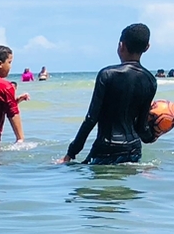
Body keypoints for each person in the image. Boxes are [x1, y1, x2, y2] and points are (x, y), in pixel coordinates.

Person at [66, 23, 160, 164]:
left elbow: (91, 119)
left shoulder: (107, 74)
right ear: (147, 47)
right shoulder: (150, 80)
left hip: (106, 148)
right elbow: (141, 128)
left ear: (121, 46)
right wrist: (153, 135)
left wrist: (71, 153)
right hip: (133, 150)